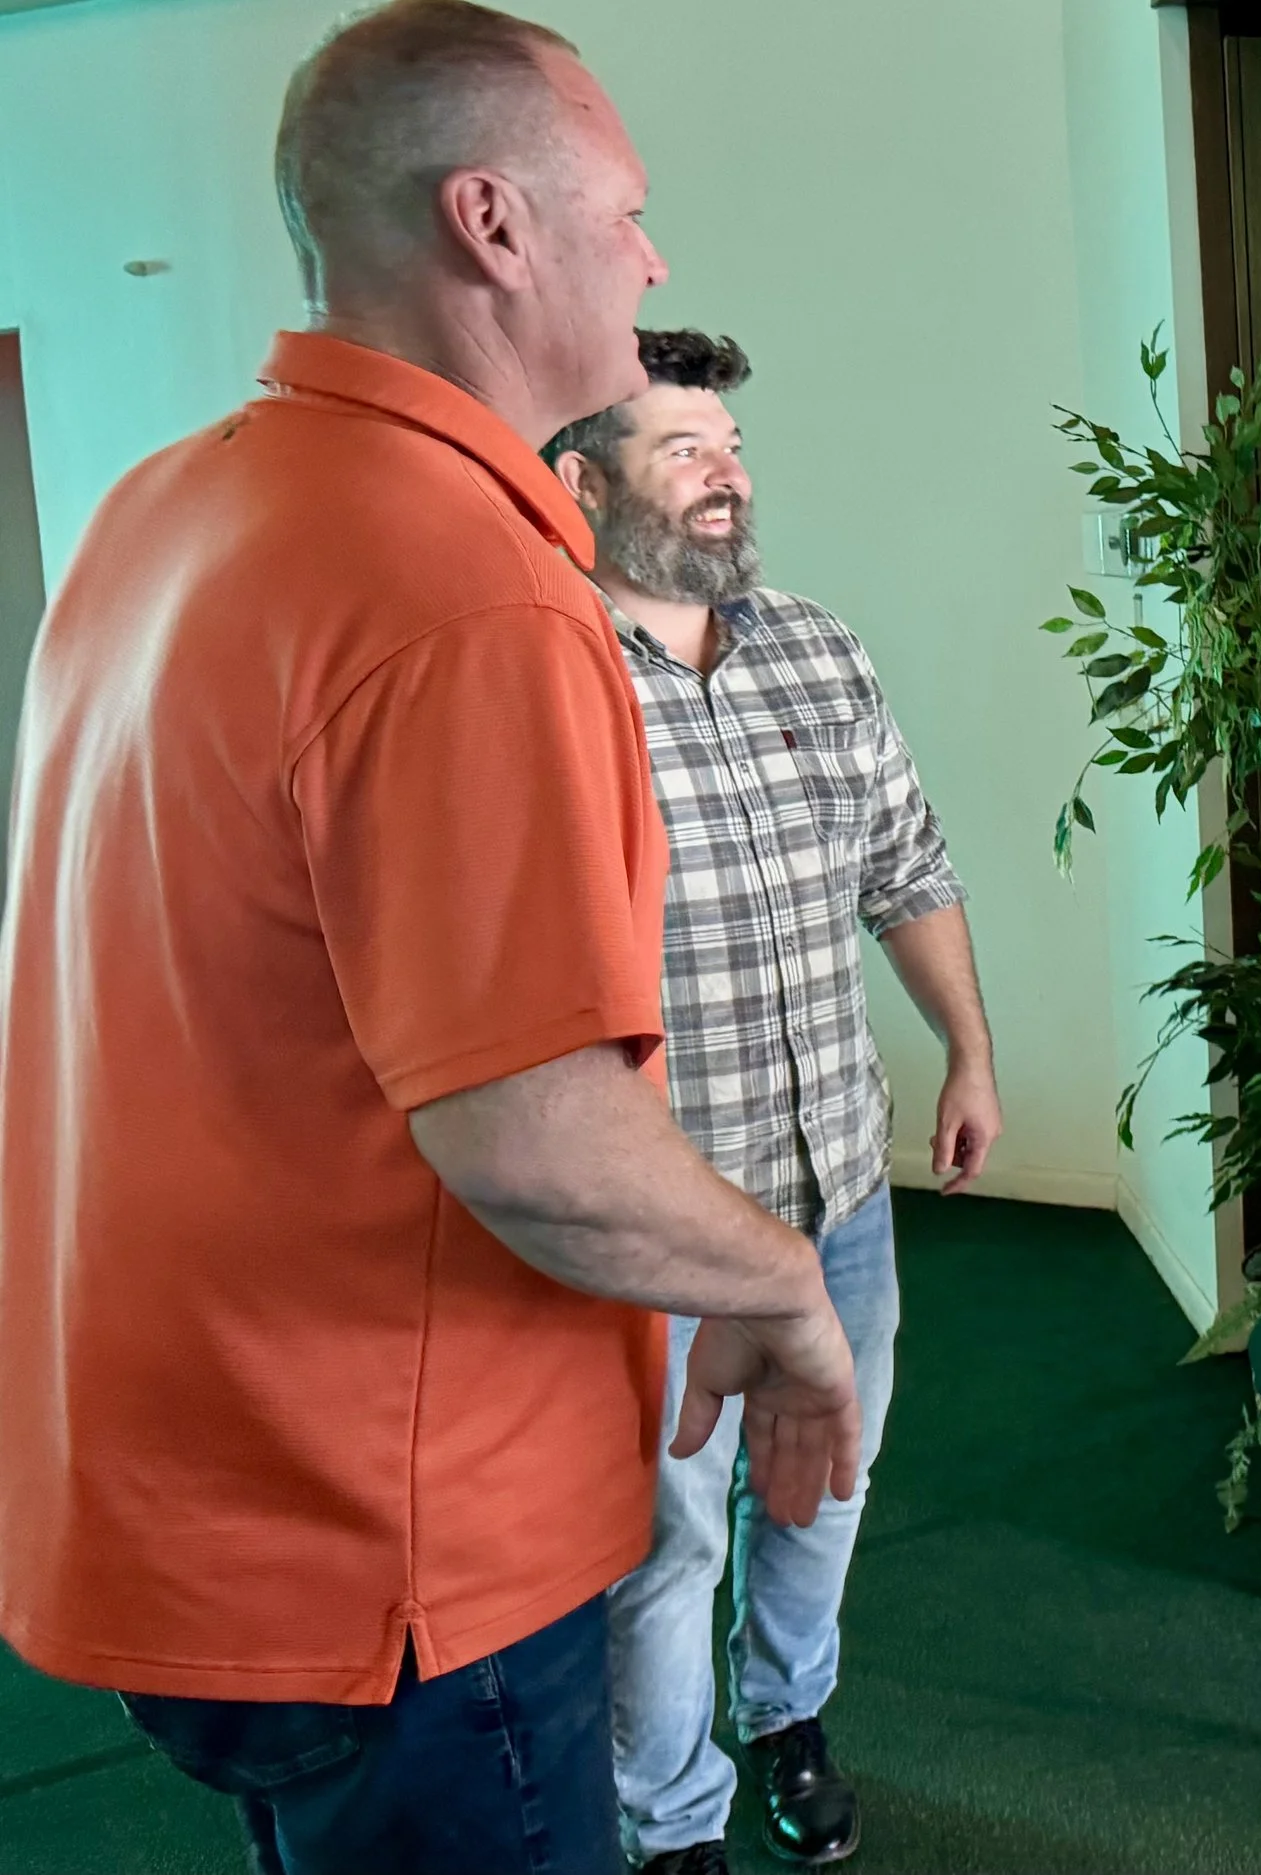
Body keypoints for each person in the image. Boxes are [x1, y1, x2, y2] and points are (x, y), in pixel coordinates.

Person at [0, 8, 863, 1872]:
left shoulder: (162, 510)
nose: (651, 257)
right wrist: (784, 1285)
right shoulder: (467, 585)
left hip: (185, 1510)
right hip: (399, 1567)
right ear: (494, 222)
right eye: (624, 210)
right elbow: (540, 1151)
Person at [544, 331, 1001, 1872]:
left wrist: (969, 1049)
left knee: (823, 1480)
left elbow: (907, 869)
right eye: (686, 448)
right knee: (668, 1531)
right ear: (583, 479)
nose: (728, 471)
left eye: (731, 443)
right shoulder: (542, 673)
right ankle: (670, 1818)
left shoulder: (814, 643)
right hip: (659, 1207)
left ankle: (787, 1715)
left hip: (836, 1188)